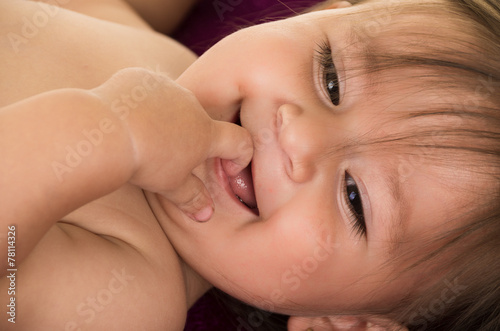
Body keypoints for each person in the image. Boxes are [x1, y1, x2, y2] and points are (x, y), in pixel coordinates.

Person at [0, 0, 498, 330]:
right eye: (331, 78)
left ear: (348, 324)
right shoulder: (168, 58)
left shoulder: (133, 294)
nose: (298, 136)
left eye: (355, 198)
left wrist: (112, 132)